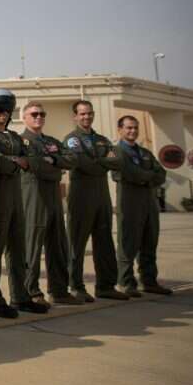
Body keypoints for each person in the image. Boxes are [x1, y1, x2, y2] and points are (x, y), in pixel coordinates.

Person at [0, 89, 48, 317]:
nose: (3, 113)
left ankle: (20, 296)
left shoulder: (15, 137)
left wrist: (14, 161)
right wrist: (16, 161)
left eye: (7, 110)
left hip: (16, 198)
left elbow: (33, 161)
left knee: (18, 249)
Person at [63, 100, 128, 302]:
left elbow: (119, 161)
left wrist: (98, 161)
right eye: (82, 114)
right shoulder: (72, 139)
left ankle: (106, 286)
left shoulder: (101, 139)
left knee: (104, 241)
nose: (86, 117)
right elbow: (82, 163)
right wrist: (104, 161)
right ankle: (76, 286)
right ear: (75, 116)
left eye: (89, 113)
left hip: (102, 196)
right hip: (81, 196)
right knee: (77, 243)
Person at [19, 101, 78, 305]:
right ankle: (31, 292)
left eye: (42, 114)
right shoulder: (21, 142)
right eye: (34, 114)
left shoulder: (51, 141)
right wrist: (56, 168)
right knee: (32, 247)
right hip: (34, 197)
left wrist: (53, 161)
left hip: (53, 198)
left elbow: (72, 159)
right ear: (24, 118)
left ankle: (59, 290)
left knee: (58, 244)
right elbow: (36, 165)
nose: (39, 117)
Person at [112, 115, 171, 297]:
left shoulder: (145, 153)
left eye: (135, 127)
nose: (133, 131)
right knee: (128, 244)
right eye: (129, 127)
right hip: (130, 204)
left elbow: (161, 173)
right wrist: (148, 176)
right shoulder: (116, 152)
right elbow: (128, 172)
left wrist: (144, 177)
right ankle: (127, 283)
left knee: (149, 243)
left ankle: (149, 281)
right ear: (120, 130)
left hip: (149, 204)